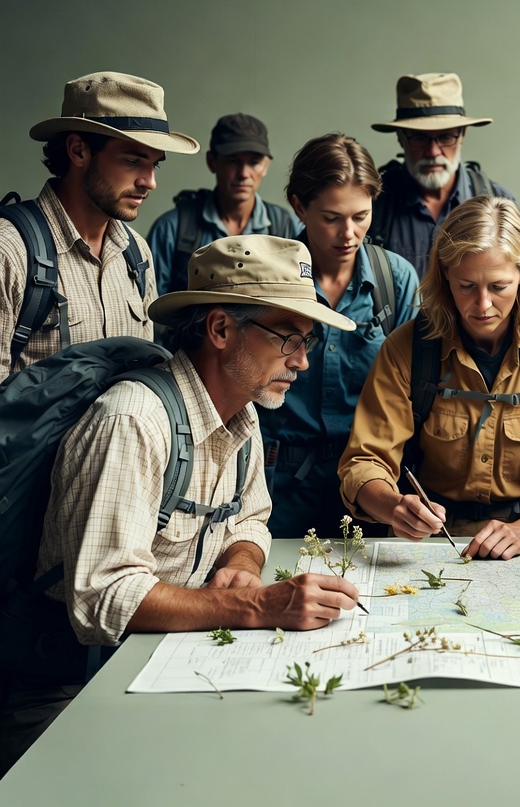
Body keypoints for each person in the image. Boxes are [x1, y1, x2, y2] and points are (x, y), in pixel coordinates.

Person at [0, 236, 360, 772]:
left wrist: (242, 561)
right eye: (288, 338)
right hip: (68, 685)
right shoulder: (132, 421)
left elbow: (251, 516)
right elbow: (103, 596)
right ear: (219, 329)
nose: (302, 362)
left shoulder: (243, 412)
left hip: (164, 660)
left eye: (305, 341)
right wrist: (257, 606)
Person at [339, 196, 520, 560]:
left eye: (498, 287)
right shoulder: (408, 348)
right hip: (431, 544)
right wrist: (393, 507)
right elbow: (364, 462)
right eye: (466, 286)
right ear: (445, 273)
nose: (482, 306)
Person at [257, 133, 419, 538]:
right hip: (278, 481)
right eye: (332, 218)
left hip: (373, 479)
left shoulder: (394, 280)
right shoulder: (265, 277)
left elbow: (413, 391)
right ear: (299, 206)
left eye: (361, 216)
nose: (349, 233)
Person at [0, 71, 199, 379]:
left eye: (154, 164)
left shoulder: (137, 254)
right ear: (78, 150)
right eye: (133, 161)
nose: (150, 182)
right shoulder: (10, 252)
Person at [366, 72, 515, 278]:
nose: (433, 152)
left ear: (462, 134)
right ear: (400, 138)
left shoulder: (500, 202)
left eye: (445, 137)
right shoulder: (374, 203)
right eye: (419, 138)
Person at [148, 113, 300, 295]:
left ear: (266, 166)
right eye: (233, 161)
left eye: (254, 162)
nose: (244, 173)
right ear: (212, 162)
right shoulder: (171, 228)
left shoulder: (286, 227)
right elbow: (151, 307)